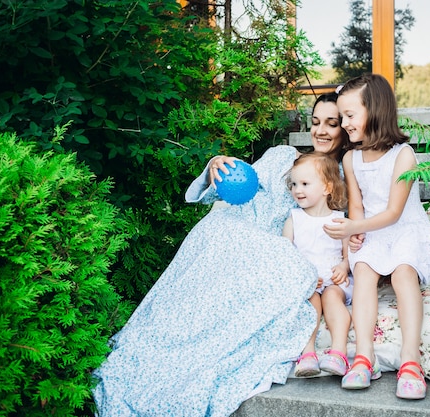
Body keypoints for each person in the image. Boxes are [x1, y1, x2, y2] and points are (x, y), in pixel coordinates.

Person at [92, 92, 349, 417]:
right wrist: (217, 166)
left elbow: (345, 230)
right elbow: (240, 186)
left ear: (347, 126)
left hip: (274, 248)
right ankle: (162, 342)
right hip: (238, 227)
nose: (321, 130)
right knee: (215, 233)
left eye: (331, 123)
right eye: (315, 122)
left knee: (285, 271)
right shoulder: (283, 155)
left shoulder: (341, 174)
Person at [323, 74, 430, 400]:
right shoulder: (350, 158)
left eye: (349, 115)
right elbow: (357, 207)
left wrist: (353, 229)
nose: (343, 123)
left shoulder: (403, 155)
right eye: (341, 116)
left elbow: (393, 213)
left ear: (375, 111)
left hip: (405, 229)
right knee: (363, 273)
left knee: (403, 273)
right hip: (373, 232)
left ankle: (410, 361)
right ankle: (364, 356)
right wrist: (355, 234)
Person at [282, 152, 352, 378]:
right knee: (311, 300)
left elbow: (348, 252)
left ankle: (338, 352)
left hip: (334, 281)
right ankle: (308, 353)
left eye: (304, 184)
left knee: (331, 297)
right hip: (308, 281)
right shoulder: (294, 218)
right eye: (293, 184)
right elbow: (285, 254)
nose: (297, 190)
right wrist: (304, 277)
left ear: (326, 188)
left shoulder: (339, 219)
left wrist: (344, 266)